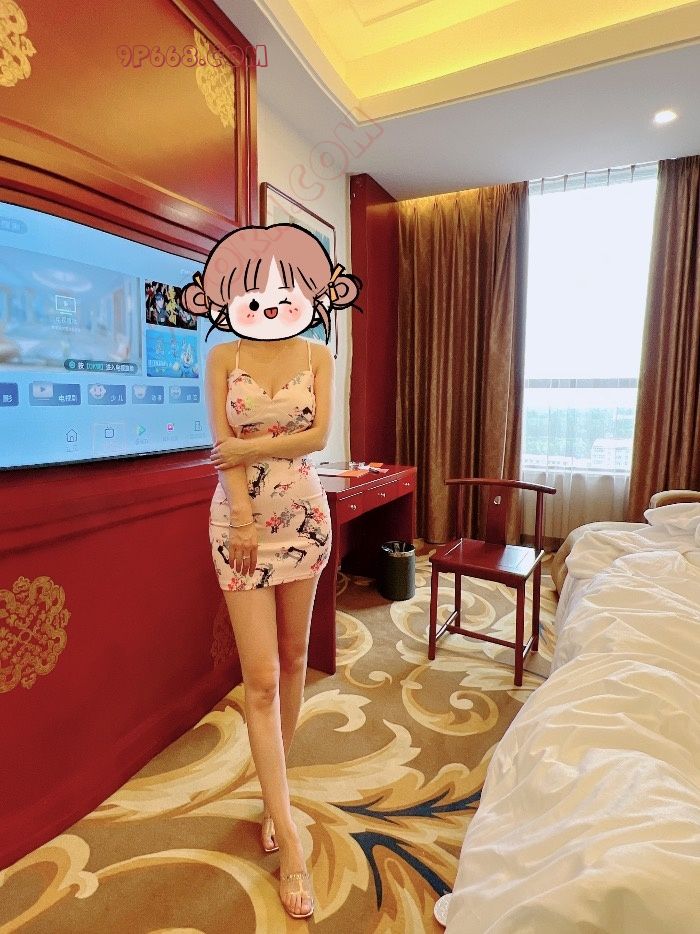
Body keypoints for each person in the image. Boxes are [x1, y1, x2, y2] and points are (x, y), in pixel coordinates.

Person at [180, 223, 362, 920]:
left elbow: (317, 436)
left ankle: (272, 798)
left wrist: (250, 447)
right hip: (240, 525)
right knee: (259, 678)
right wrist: (244, 517)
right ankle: (290, 837)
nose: (270, 298)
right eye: (254, 288)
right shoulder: (223, 355)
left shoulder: (318, 352)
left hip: (306, 517)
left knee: (294, 658)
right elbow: (219, 446)